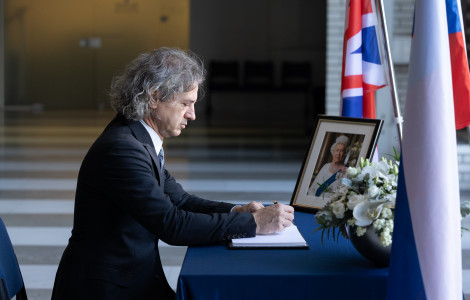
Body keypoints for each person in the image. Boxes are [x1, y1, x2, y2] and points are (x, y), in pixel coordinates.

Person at [51, 48, 294, 299]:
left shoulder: (137, 136)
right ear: (154, 97)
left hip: (131, 278)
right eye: (186, 104)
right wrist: (253, 223)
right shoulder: (122, 149)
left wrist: (237, 211)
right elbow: (172, 224)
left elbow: (181, 201)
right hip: (106, 289)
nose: (192, 114)